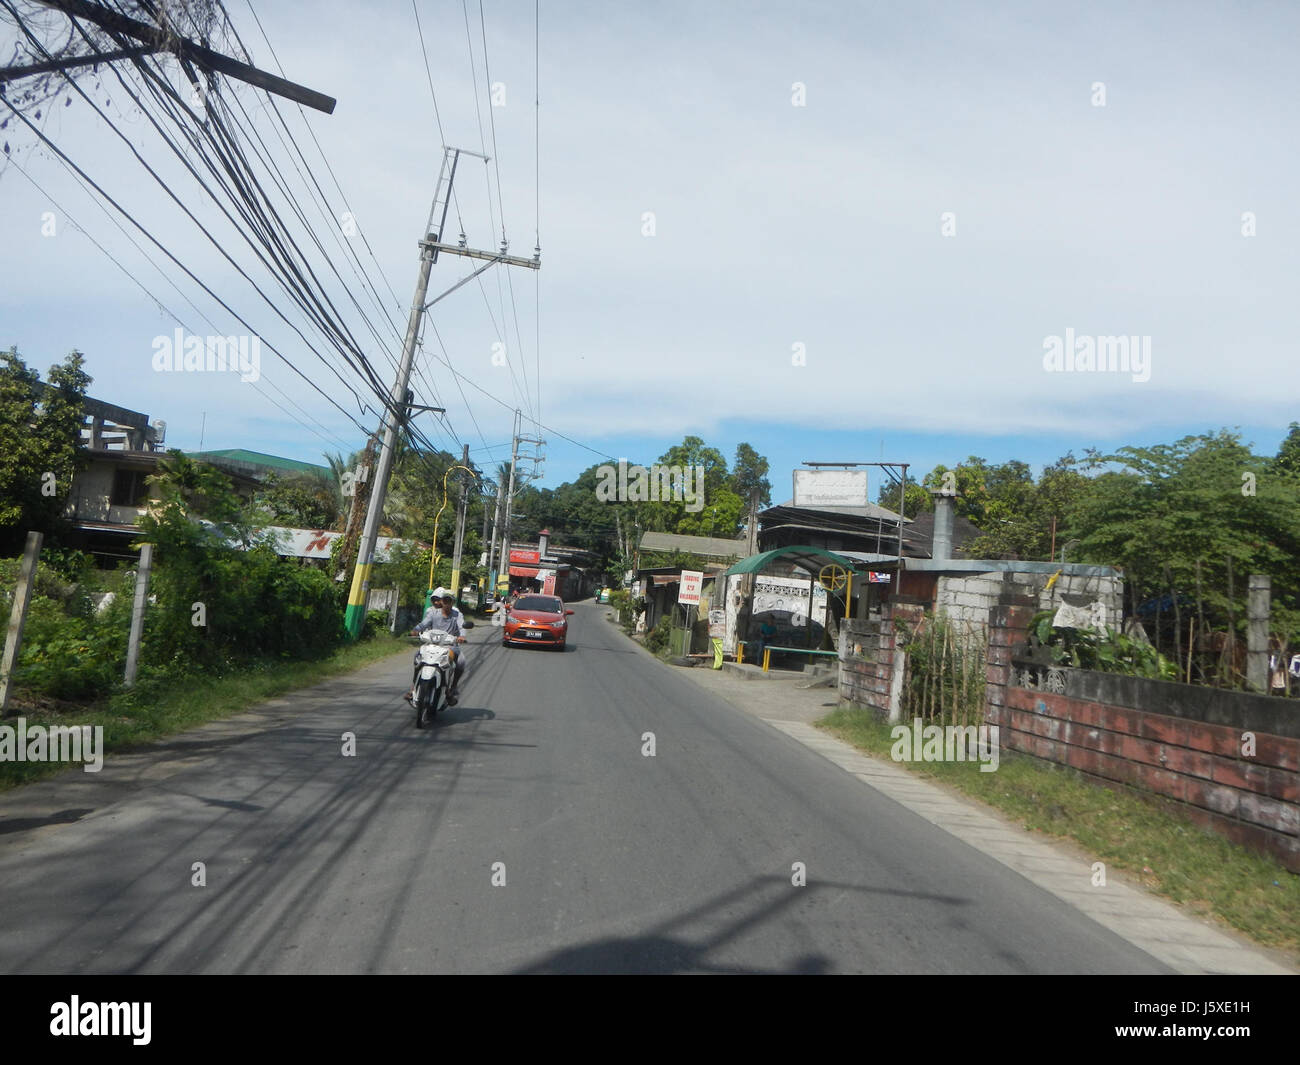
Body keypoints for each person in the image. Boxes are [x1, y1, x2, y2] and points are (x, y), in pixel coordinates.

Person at [407, 587, 468, 705]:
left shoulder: (457, 615)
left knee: (461, 662)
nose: (445, 603)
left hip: (449, 646)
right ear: (441, 601)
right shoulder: (433, 613)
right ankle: (413, 688)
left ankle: (451, 689)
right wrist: (415, 631)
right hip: (431, 644)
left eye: (448, 600)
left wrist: (462, 636)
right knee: (417, 657)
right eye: (444, 600)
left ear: (453, 602)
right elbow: (423, 624)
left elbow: (462, 627)